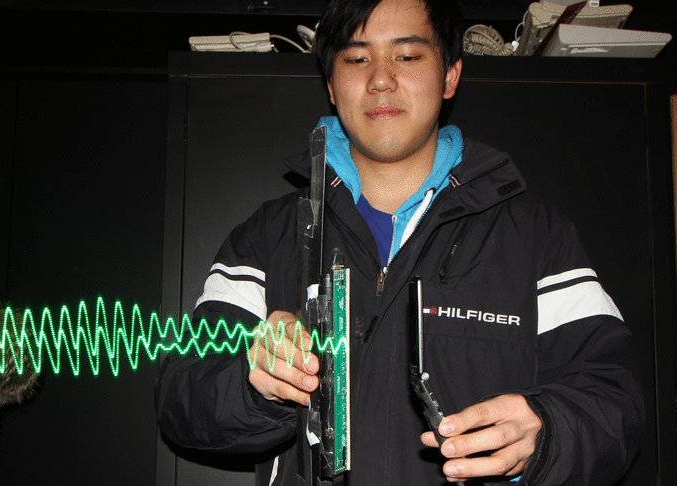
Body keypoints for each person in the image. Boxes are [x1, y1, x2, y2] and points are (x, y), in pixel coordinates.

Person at [155, 0, 644, 484]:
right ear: (331, 85)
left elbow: (613, 403)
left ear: (450, 75)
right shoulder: (269, 235)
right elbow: (183, 396)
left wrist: (546, 433)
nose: (381, 79)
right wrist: (253, 382)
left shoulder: (535, 234)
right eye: (356, 58)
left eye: (407, 56)